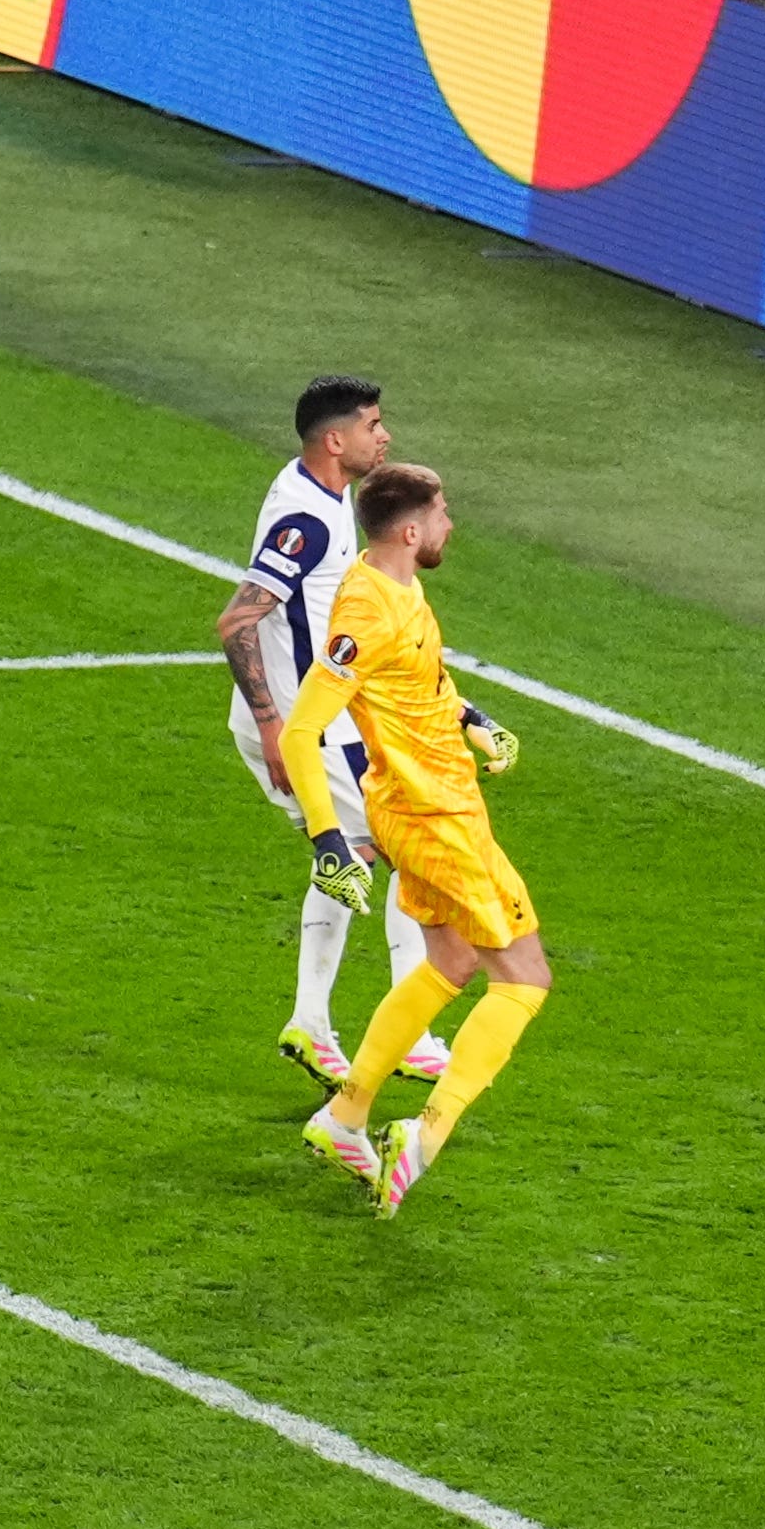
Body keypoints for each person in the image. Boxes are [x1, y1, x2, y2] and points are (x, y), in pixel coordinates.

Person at [277, 465, 546, 1216]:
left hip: (429, 804)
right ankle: (424, 1136)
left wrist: (471, 720)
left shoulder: (394, 585)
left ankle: (346, 1116)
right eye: (442, 513)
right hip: (434, 816)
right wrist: (330, 843)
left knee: (451, 961)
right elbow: (301, 732)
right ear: (410, 530)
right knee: (524, 978)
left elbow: (417, 681)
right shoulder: (367, 613)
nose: (450, 525)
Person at [213, 377, 452, 1091]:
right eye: (374, 425)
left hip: (314, 720)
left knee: (355, 855)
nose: (386, 436)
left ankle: (311, 1025)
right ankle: (405, 1032)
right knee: (414, 849)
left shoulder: (323, 491)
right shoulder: (309, 519)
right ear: (335, 439)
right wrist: (274, 724)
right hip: (307, 727)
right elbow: (237, 620)